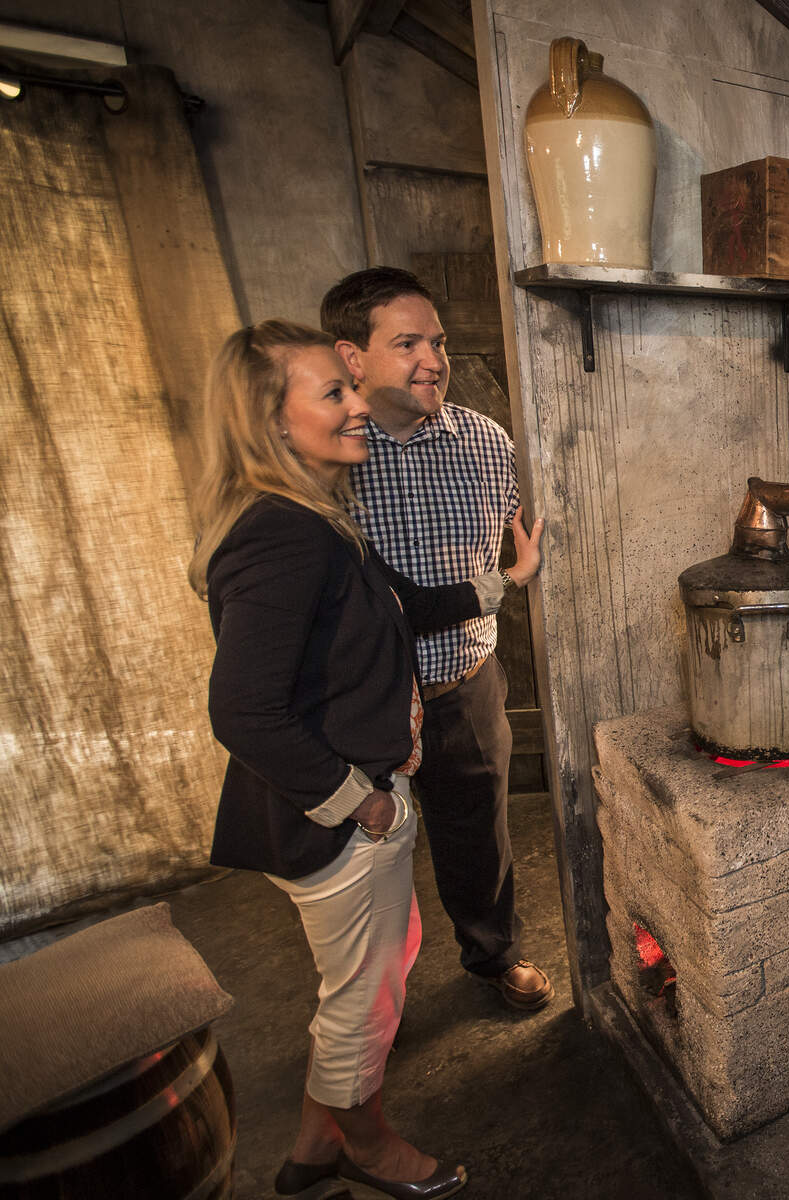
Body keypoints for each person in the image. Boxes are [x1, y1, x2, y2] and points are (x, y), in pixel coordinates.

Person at [190, 320, 543, 1200]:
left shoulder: (312, 515)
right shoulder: (283, 534)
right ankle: (370, 1148)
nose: (357, 404)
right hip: (341, 814)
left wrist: (505, 579)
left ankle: (315, 1144)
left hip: (357, 799)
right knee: (363, 998)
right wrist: (360, 799)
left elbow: (401, 604)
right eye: (334, 392)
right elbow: (242, 711)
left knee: (375, 964)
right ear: (271, 420)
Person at [320, 268, 552, 1011]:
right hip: (366, 699)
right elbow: (374, 602)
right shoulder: (328, 456)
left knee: (478, 834)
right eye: (408, 344)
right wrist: (506, 582)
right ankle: (367, 1004)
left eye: (440, 342)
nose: (433, 360)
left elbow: (521, 535)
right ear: (352, 357)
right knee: (362, 857)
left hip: (464, 681)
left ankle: (494, 954)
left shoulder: (486, 442)